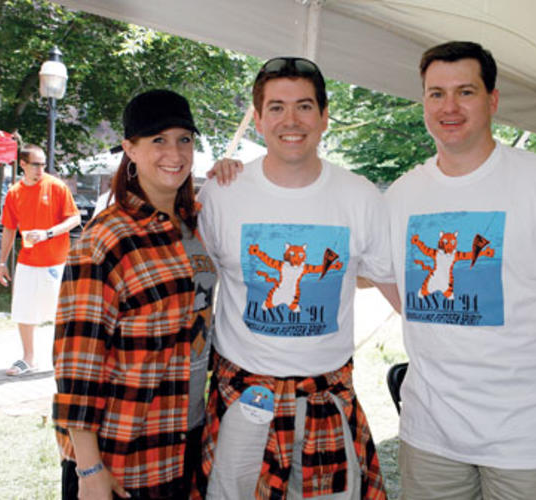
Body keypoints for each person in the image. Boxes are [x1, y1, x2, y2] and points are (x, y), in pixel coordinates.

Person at [384, 41, 536, 498]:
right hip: (430, 434)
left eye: (465, 92)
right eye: (435, 93)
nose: (449, 107)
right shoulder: (401, 194)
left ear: (492, 99)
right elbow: (388, 277)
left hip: (531, 439)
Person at [197, 57, 396, 499]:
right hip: (244, 401)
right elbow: (195, 285)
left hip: (325, 401)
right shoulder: (221, 194)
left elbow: (388, 283)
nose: (291, 120)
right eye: (276, 107)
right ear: (259, 118)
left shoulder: (360, 196)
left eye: (304, 106)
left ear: (324, 117)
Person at [53, 89, 215, 499]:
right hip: (123, 456)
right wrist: (90, 469)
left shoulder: (193, 225)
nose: (174, 152)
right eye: (157, 140)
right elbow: (77, 363)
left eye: (184, 139)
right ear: (130, 148)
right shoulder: (106, 239)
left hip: (187, 437)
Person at [0, 144, 80, 376]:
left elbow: (74, 219)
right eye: (36, 164)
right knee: (23, 310)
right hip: (27, 261)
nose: (41, 168)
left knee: (61, 313)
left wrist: (48, 233)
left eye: (43, 164)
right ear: (22, 164)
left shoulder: (56, 187)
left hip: (56, 262)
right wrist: (2, 262)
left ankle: (65, 359)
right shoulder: (14, 192)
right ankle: (28, 359)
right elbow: (9, 229)